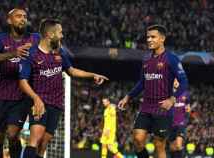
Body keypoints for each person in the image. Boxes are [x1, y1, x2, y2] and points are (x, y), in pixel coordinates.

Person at [19, 18, 109, 158]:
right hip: (39, 103)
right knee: (35, 139)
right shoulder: (31, 54)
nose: (62, 35)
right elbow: (22, 81)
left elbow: (71, 71)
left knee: (43, 145)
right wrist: (36, 99)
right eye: (60, 32)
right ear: (50, 35)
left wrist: (92, 75)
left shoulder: (59, 53)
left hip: (56, 104)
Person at [118, 24, 188, 158]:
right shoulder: (146, 59)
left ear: (162, 39)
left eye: (153, 37)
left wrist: (172, 99)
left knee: (159, 145)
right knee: (138, 140)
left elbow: (184, 81)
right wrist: (128, 97)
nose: (149, 40)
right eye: (148, 37)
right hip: (146, 108)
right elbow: (142, 83)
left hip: (163, 109)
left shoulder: (172, 59)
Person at [0, 8, 40, 158]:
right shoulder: (1, 39)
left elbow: (51, 46)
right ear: (9, 20)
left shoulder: (35, 38)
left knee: (12, 134)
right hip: (2, 95)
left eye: (24, 16)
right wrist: (13, 53)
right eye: (18, 16)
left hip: (22, 96)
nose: (22, 19)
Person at [169, 79, 190, 158]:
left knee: (178, 145)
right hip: (171, 124)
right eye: (174, 81)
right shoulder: (168, 94)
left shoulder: (185, 93)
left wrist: (185, 121)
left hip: (181, 123)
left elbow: (188, 108)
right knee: (172, 148)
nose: (175, 82)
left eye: (177, 81)